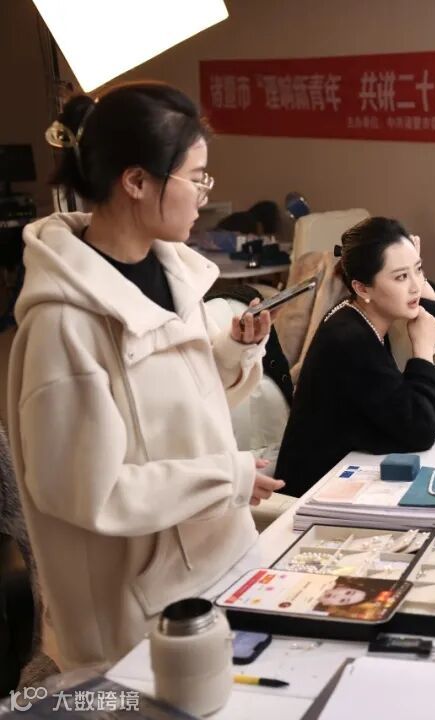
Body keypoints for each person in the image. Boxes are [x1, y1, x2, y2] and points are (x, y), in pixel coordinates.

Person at [7, 82, 285, 669]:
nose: (204, 196)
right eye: (197, 178)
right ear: (136, 181)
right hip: (145, 615)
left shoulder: (172, 273)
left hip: (224, 565)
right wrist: (225, 479)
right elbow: (91, 492)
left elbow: (175, 410)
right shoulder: (64, 324)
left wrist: (232, 355)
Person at [275, 217, 435, 496]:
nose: (416, 286)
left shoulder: (359, 316)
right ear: (362, 288)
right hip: (316, 494)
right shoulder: (349, 339)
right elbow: (421, 429)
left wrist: (409, 270)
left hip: (350, 475)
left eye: (418, 270)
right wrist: (422, 349)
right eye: (400, 277)